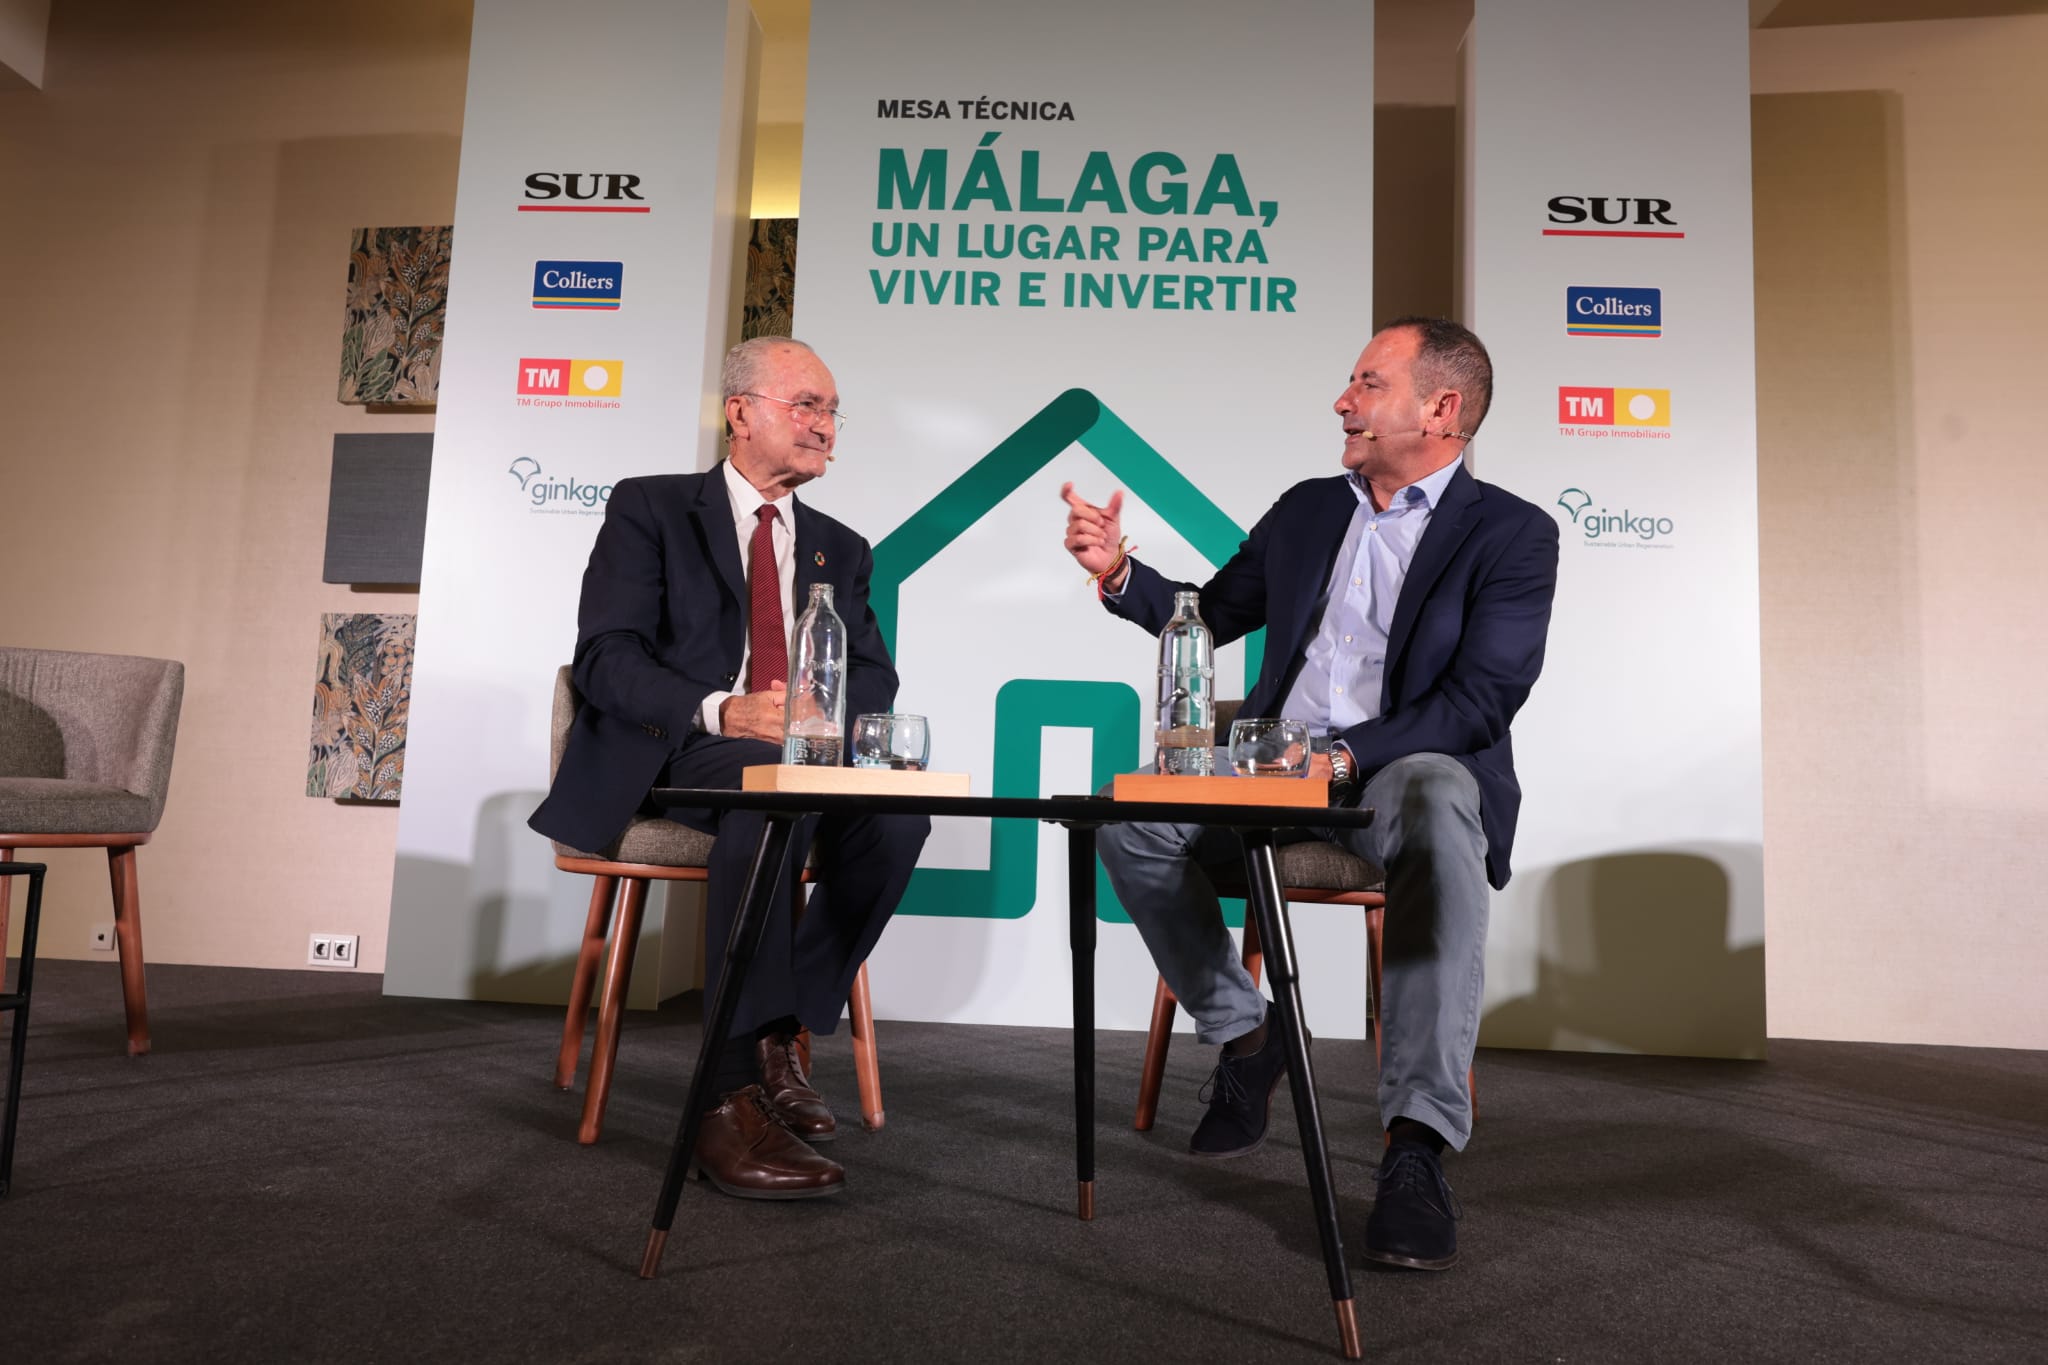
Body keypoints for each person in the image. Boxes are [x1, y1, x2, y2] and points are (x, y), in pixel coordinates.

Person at [1059, 317, 1558, 1270]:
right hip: (1267, 767)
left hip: (1401, 768)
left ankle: (1415, 1146)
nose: (1343, 399)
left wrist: (1339, 760)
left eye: (1368, 382)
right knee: (1127, 821)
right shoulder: (1307, 509)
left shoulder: (1513, 534)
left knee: (1443, 800)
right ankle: (1249, 1033)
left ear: (1441, 409)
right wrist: (1120, 572)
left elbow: (1480, 699)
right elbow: (1206, 616)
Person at [531, 336, 928, 1200]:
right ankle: (725, 1102)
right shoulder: (652, 508)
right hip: (677, 746)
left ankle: (776, 1028)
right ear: (740, 412)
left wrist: (826, 713)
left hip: (798, 755)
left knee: (901, 816)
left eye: (831, 411)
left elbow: (876, 673)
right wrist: (722, 707)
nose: (825, 427)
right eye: (806, 406)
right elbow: (605, 658)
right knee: (762, 796)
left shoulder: (842, 546)